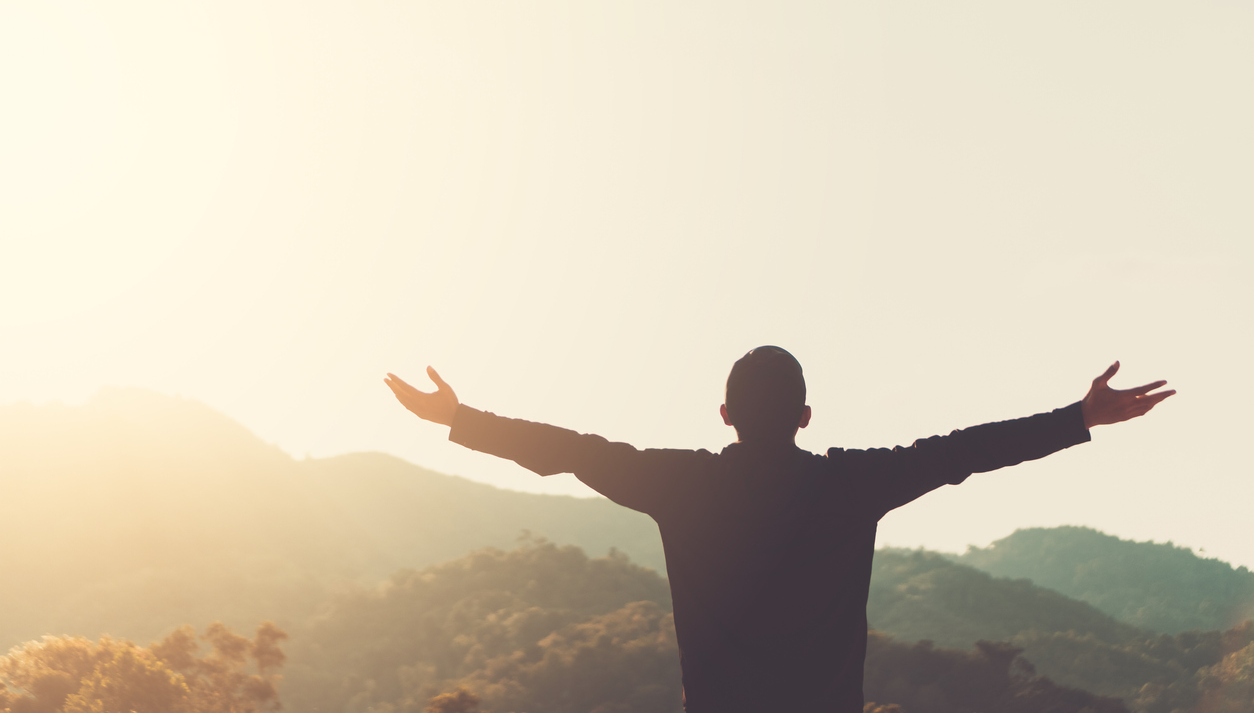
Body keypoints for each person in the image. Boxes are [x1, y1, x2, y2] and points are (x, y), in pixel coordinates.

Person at [384, 348, 1173, 713]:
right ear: (804, 417)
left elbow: (567, 453)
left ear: (724, 415)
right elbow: (965, 453)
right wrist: (1080, 417)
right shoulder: (849, 484)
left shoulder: (680, 482)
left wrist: (457, 418)